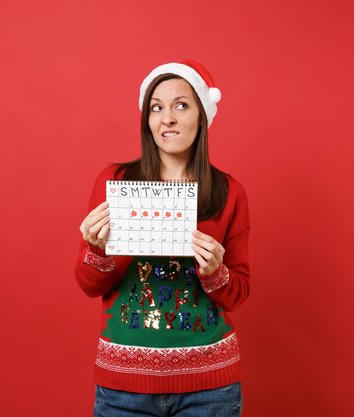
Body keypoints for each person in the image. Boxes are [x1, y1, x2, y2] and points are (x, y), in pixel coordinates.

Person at [74, 60, 251, 417]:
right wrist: (96, 247)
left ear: (201, 116)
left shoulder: (229, 192)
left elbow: (239, 292)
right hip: (124, 385)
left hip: (209, 386)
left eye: (180, 105)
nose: (167, 118)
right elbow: (90, 285)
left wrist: (216, 270)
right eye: (156, 107)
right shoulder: (115, 182)